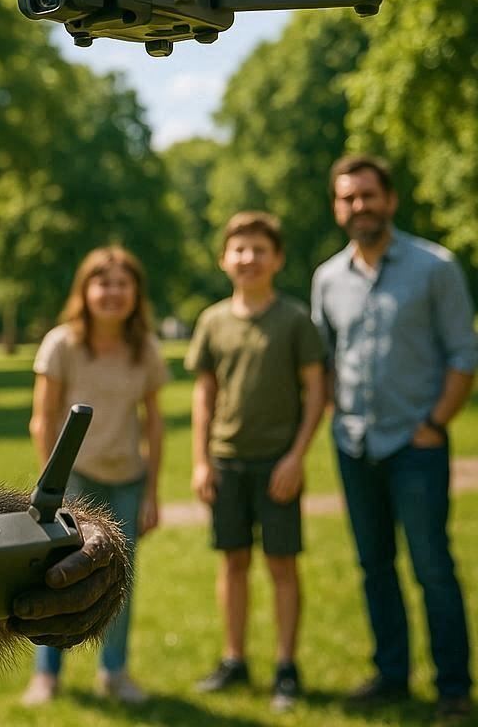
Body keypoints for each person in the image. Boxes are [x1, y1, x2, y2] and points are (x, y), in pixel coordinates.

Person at [312, 154, 477, 722]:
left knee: (433, 567)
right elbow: (325, 358)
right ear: (337, 207)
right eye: (348, 197)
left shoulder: (436, 267)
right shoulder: (327, 278)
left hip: (416, 446)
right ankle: (391, 675)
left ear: (390, 200)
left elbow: (464, 354)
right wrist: (336, 414)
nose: (359, 206)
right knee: (374, 566)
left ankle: (454, 686)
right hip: (354, 445)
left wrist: (435, 425)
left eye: (368, 195)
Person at [186, 211, 326, 713]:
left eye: (259, 250)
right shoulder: (212, 321)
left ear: (278, 259)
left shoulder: (295, 320)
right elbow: (204, 395)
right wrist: (201, 461)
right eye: (239, 250)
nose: (249, 258)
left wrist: (296, 457)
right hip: (227, 462)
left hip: (278, 465)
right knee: (234, 562)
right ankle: (234, 660)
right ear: (224, 260)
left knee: (282, 565)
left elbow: (317, 393)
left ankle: (286, 666)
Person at [20, 245, 167, 707]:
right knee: (55, 574)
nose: (112, 292)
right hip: (74, 481)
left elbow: (155, 423)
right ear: (85, 290)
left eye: (123, 284)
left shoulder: (145, 348)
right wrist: (53, 486)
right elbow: (42, 419)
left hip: (128, 480)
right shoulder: (61, 343)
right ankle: (47, 675)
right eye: (103, 283)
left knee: (120, 581)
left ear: (135, 293)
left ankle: (114, 673)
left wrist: (152, 491)